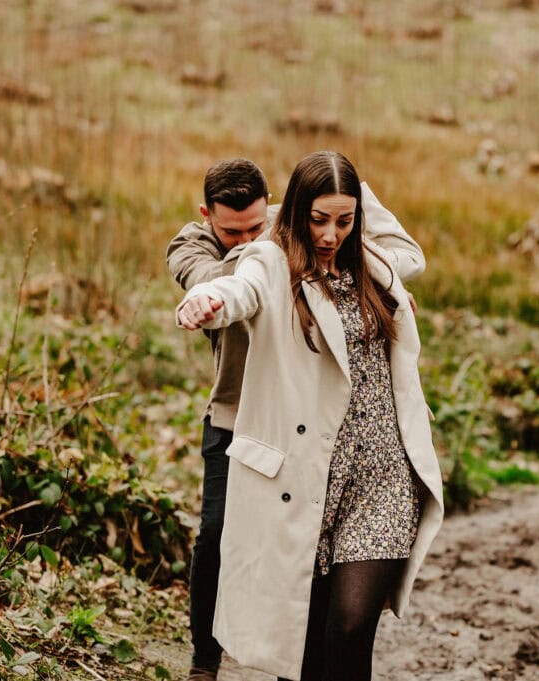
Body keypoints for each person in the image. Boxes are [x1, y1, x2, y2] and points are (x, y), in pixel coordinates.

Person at [175, 151, 443, 681]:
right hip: (311, 474)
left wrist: (356, 203)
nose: (330, 234)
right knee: (307, 645)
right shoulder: (269, 261)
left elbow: (408, 257)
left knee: (350, 626)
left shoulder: (374, 263)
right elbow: (236, 288)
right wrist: (204, 300)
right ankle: (205, 658)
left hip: (384, 475)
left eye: (344, 220)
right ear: (296, 211)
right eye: (319, 219)